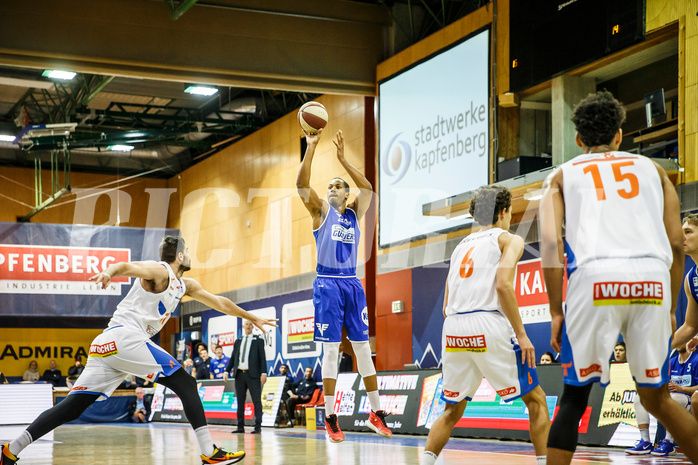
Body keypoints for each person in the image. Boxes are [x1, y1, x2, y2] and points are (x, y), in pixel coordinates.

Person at [0, 235, 277, 465]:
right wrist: (110, 272)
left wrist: (250, 317)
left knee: (73, 406)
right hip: (124, 338)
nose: (190, 255)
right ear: (179, 256)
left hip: (106, 346)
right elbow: (127, 265)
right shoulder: (160, 271)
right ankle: (209, 453)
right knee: (186, 382)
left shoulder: (184, 285)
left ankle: (11, 450)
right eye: (187, 252)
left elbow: (219, 302)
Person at [539, 90, 698, 464]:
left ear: (578, 139)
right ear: (620, 135)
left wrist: (555, 311)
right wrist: (671, 307)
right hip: (652, 280)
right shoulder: (655, 171)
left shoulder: (562, 176)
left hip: (594, 280)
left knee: (573, 399)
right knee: (656, 397)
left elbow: (549, 244)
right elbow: (676, 244)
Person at [421, 186, 550, 465]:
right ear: (503, 211)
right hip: (486, 321)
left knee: (452, 410)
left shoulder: (460, 246)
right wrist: (521, 334)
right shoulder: (509, 239)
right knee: (536, 401)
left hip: (453, 327)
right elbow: (503, 286)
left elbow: (445, 307)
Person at [296, 128, 391, 442]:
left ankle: (376, 413)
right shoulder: (320, 212)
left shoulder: (353, 213)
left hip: (352, 284)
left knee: (363, 349)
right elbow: (300, 185)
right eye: (329, 186)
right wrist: (311, 147)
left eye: (338, 186)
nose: (332, 189)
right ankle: (331, 417)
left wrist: (342, 159)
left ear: (346, 194)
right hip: (328, 284)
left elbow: (369, 189)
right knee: (331, 351)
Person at [626, 341, 698, 456]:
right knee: (640, 398)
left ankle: (669, 443)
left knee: (673, 399)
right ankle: (645, 442)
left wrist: (682, 388)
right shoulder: (671, 361)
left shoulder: (696, 360)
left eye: (683, 340)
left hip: (689, 399)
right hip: (674, 395)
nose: (679, 343)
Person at [224, 320, 267, 434]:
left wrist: (264, 373)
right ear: (243, 326)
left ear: (253, 326)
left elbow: (262, 357)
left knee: (256, 401)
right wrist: (227, 371)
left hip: (253, 375)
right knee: (240, 401)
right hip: (239, 375)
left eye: (250, 324)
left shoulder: (258, 341)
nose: (248, 326)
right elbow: (233, 357)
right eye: (246, 324)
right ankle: (240, 426)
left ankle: (258, 427)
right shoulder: (238, 341)